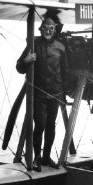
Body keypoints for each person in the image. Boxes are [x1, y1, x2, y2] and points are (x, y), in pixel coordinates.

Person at [16, 17, 68, 171]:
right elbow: (19, 67)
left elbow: (66, 71)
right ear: (40, 29)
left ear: (55, 30)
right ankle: (36, 158)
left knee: (51, 126)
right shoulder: (33, 45)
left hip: (55, 93)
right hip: (38, 93)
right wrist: (26, 60)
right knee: (40, 125)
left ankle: (46, 158)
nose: (48, 31)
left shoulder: (61, 47)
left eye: (51, 28)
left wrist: (62, 90)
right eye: (45, 27)